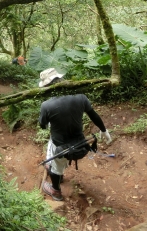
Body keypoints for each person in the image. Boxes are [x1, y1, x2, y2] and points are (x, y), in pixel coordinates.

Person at [37, 68, 112, 201]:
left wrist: (49, 121)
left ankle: (56, 191)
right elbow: (93, 115)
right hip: (80, 144)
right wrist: (103, 130)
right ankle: (56, 173)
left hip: (60, 147)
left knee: (56, 165)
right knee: (56, 158)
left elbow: (42, 125)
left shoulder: (46, 105)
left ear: (48, 86)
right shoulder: (80, 97)